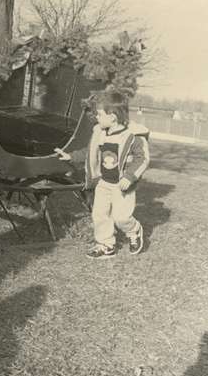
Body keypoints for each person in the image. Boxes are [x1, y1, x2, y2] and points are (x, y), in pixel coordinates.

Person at [56, 90, 149, 259]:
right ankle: (106, 245)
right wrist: (71, 156)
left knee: (121, 217)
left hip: (122, 185)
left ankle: (134, 230)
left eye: (99, 114)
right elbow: (90, 153)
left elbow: (142, 159)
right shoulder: (100, 133)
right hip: (104, 183)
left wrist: (129, 177)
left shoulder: (133, 136)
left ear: (112, 116)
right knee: (99, 214)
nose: (96, 117)